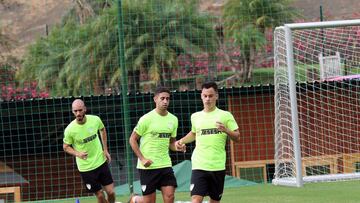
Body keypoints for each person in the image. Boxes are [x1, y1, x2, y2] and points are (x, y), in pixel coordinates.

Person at [175, 81, 240, 203]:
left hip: (217, 166)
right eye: (205, 96)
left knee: (214, 201)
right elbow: (194, 133)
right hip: (199, 164)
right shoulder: (195, 116)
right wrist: (181, 141)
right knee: (196, 200)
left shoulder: (226, 115)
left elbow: (237, 137)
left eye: (210, 96)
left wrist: (225, 130)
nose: (207, 99)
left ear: (216, 96)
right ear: (201, 96)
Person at [128, 86, 185, 203]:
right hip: (148, 167)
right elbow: (132, 140)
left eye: (168, 99)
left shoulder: (173, 120)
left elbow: (171, 143)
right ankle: (135, 199)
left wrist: (178, 146)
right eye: (162, 98)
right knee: (149, 201)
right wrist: (142, 159)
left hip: (165, 165)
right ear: (155, 99)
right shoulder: (146, 119)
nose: (165, 101)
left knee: (170, 197)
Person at [63, 99, 115, 203]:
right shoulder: (69, 129)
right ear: (72, 112)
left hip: (100, 162)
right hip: (86, 168)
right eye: (75, 111)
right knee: (100, 196)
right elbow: (65, 146)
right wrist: (78, 153)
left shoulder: (95, 120)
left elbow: (102, 129)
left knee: (111, 192)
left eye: (80, 110)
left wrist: (105, 149)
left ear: (85, 109)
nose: (78, 113)